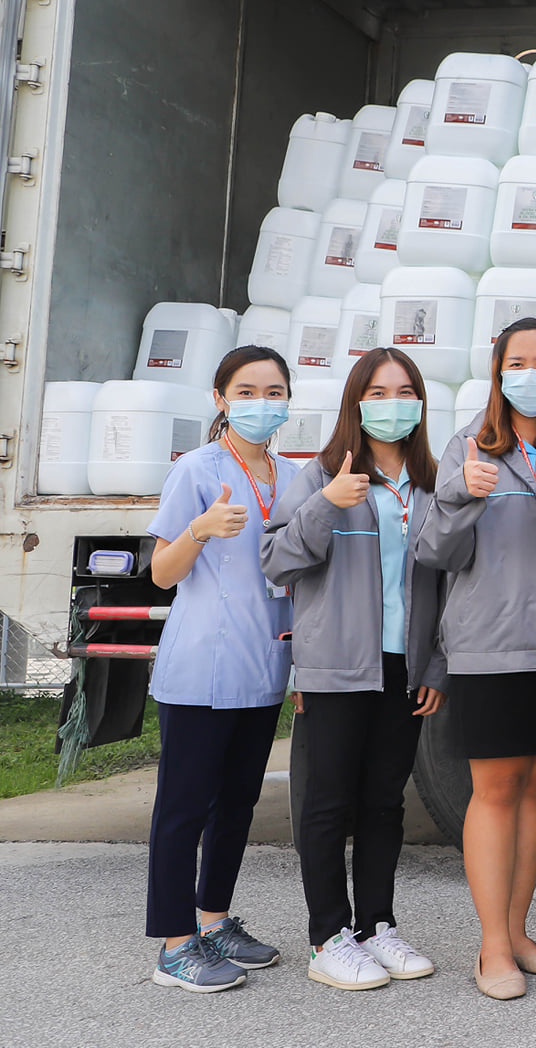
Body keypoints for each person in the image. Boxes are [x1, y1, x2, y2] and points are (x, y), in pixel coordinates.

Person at [262, 347, 444, 992]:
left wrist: (436, 664)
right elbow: (276, 560)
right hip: (337, 665)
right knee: (327, 802)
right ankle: (328, 937)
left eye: (405, 392)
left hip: (404, 665)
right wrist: (328, 503)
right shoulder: (322, 473)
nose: (393, 405)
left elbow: (446, 580)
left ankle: (376, 926)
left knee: (384, 803)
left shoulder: (430, 482)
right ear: (356, 403)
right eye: (378, 393)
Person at [414, 318, 536, 1000]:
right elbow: (434, 551)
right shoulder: (471, 447)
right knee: (496, 787)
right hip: (494, 639)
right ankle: (491, 949)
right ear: (497, 372)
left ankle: (517, 932)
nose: (531, 375)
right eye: (518, 362)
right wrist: (461, 494)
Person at [143, 345, 299, 993]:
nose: (262, 403)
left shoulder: (293, 476)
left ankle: (214, 920)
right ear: (220, 399)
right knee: (184, 808)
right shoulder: (197, 470)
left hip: (262, 664)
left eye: (274, 392)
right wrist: (200, 529)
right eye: (247, 391)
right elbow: (161, 573)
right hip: (202, 667)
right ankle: (175, 944)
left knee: (237, 803)